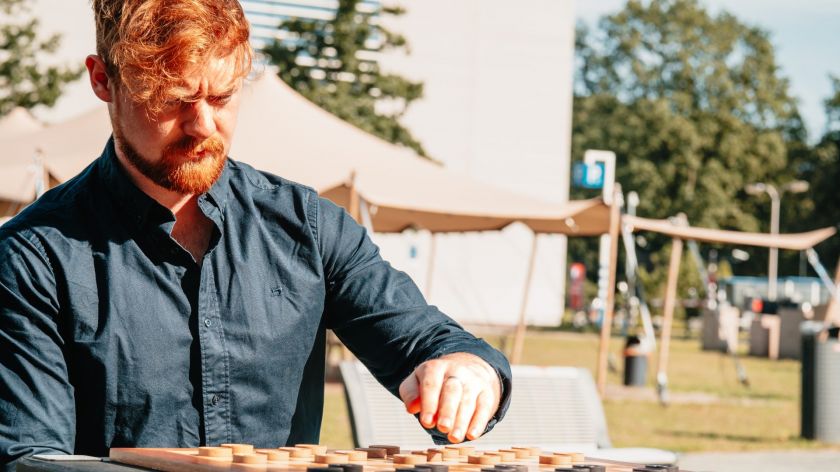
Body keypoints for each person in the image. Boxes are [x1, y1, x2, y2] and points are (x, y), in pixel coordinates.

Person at [0, 0, 511, 469]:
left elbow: (429, 342)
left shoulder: (307, 226)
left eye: (222, 96)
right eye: (173, 99)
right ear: (103, 80)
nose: (202, 125)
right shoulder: (32, 259)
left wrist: (466, 372)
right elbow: (31, 459)